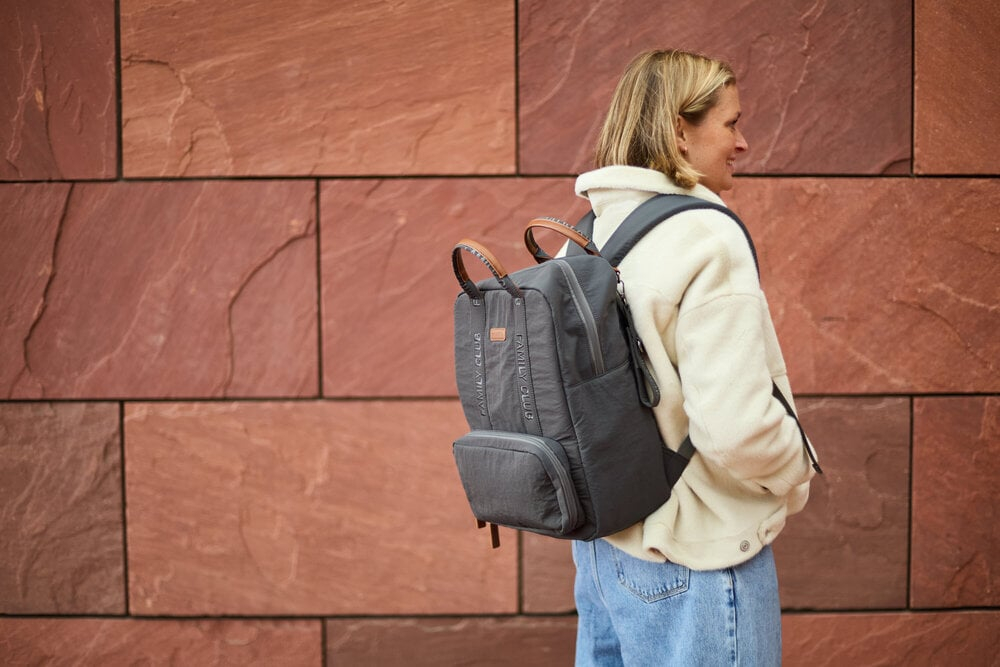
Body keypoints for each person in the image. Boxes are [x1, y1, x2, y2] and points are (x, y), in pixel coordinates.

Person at [570, 49, 820, 665]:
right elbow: (736, 426)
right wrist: (797, 467)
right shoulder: (706, 234)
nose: (742, 142)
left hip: (606, 550)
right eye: (731, 123)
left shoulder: (588, 234)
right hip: (699, 555)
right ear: (680, 130)